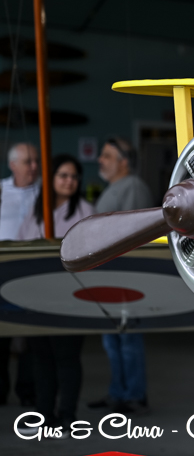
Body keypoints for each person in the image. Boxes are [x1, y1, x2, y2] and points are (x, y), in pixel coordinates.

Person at [17, 155, 94, 434]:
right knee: (41, 359)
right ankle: (44, 416)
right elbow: (22, 246)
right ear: (50, 179)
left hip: (71, 296)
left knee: (67, 358)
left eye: (73, 177)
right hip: (38, 296)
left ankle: (67, 417)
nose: (69, 181)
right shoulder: (37, 210)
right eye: (63, 175)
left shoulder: (85, 210)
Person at [90, 137, 154, 415]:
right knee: (112, 340)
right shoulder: (115, 188)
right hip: (110, 274)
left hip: (126, 276)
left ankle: (134, 395)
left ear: (124, 162)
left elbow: (132, 234)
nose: (100, 160)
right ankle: (118, 392)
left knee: (128, 339)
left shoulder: (133, 187)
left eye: (107, 155)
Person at [0, 142, 39, 407]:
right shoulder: (1, 190)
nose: (34, 166)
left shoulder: (46, 190)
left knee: (32, 334)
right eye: (27, 162)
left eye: (36, 161)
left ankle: (28, 390)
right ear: (13, 165)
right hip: (3, 268)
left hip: (33, 270)